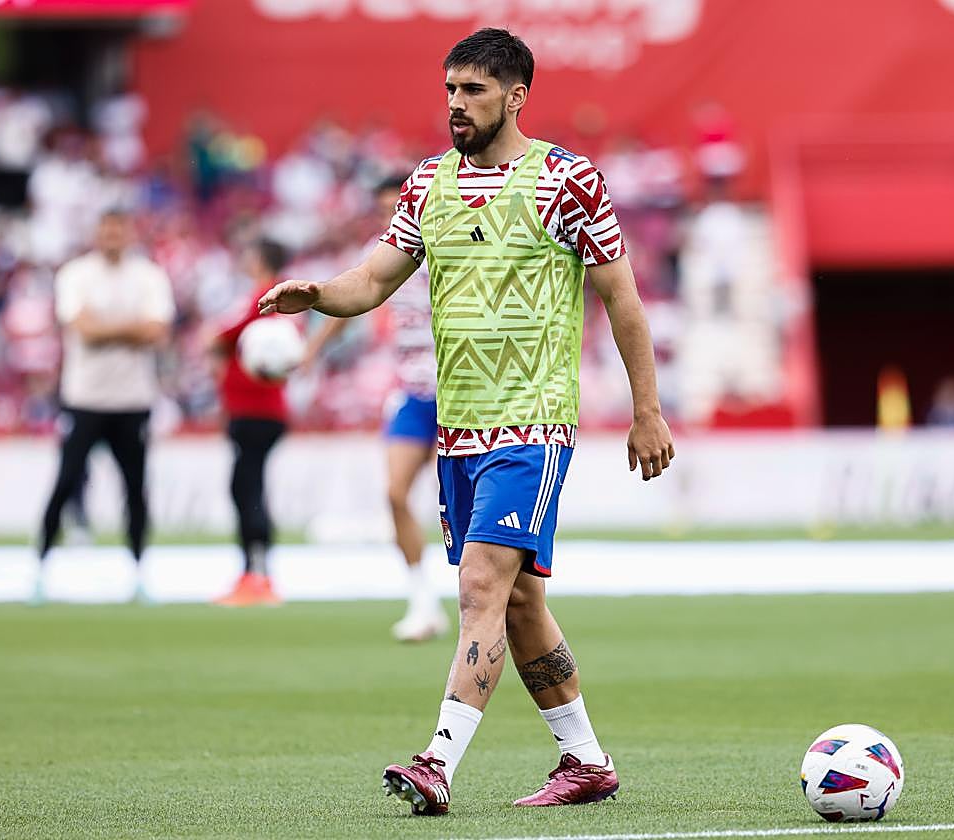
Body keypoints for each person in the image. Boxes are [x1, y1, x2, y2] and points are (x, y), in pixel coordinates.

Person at [260, 29, 675, 815]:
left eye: (473, 90)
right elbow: (372, 279)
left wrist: (646, 410)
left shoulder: (567, 181)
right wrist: (318, 295)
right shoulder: (428, 184)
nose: (456, 103)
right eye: (450, 88)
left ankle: (437, 762)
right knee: (518, 604)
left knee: (481, 584)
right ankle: (587, 761)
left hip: (533, 423)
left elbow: (621, 298)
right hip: (458, 430)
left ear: (515, 97)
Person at [309, 175, 448, 641]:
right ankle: (422, 599)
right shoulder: (384, 250)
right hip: (413, 392)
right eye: (385, 208)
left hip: (461, 393)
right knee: (394, 493)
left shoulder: (449, 242)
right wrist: (311, 350)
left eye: (398, 205)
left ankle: (480, 597)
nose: (392, 214)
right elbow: (357, 295)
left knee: (460, 506)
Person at [35, 209, 174, 604]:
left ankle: (139, 570)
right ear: (97, 234)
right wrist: (131, 328)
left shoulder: (149, 276)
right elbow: (83, 329)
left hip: (133, 398)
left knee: (135, 488)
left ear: (129, 233)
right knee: (66, 481)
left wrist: (105, 328)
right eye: (106, 230)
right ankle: (41, 567)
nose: (112, 236)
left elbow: (156, 331)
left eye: (119, 229)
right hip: (85, 398)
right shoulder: (76, 275)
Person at [209, 240, 292, 607]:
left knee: (247, 487)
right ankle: (256, 571)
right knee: (248, 486)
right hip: (255, 411)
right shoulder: (268, 299)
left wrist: (215, 341)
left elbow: (227, 334)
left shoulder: (266, 298)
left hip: (256, 411)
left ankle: (255, 574)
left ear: (260, 260)